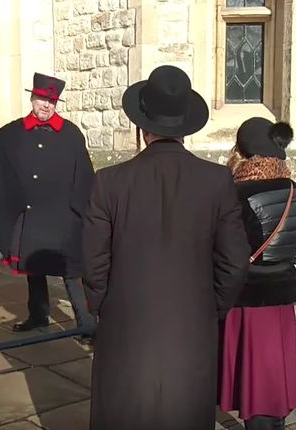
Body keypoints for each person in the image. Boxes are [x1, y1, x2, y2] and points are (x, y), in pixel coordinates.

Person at [81, 65, 250, 429]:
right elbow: (235, 261)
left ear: (142, 128)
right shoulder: (216, 180)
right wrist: (212, 306)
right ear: (185, 127)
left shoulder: (109, 182)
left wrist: (101, 306)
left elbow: (93, 261)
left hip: (126, 323)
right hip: (192, 324)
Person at [0, 72, 96, 338]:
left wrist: (84, 212)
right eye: (42, 99)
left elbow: (85, 174)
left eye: (51, 101)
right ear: (32, 98)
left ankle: (86, 323)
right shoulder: (16, 130)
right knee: (34, 267)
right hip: (31, 215)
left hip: (63, 215)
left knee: (71, 270)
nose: (46, 105)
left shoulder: (71, 134)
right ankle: (38, 315)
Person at [218, 117, 296, 430]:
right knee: (275, 377)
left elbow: (227, 253)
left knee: (252, 381)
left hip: (248, 300)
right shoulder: (294, 190)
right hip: (281, 301)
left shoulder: (236, 193)